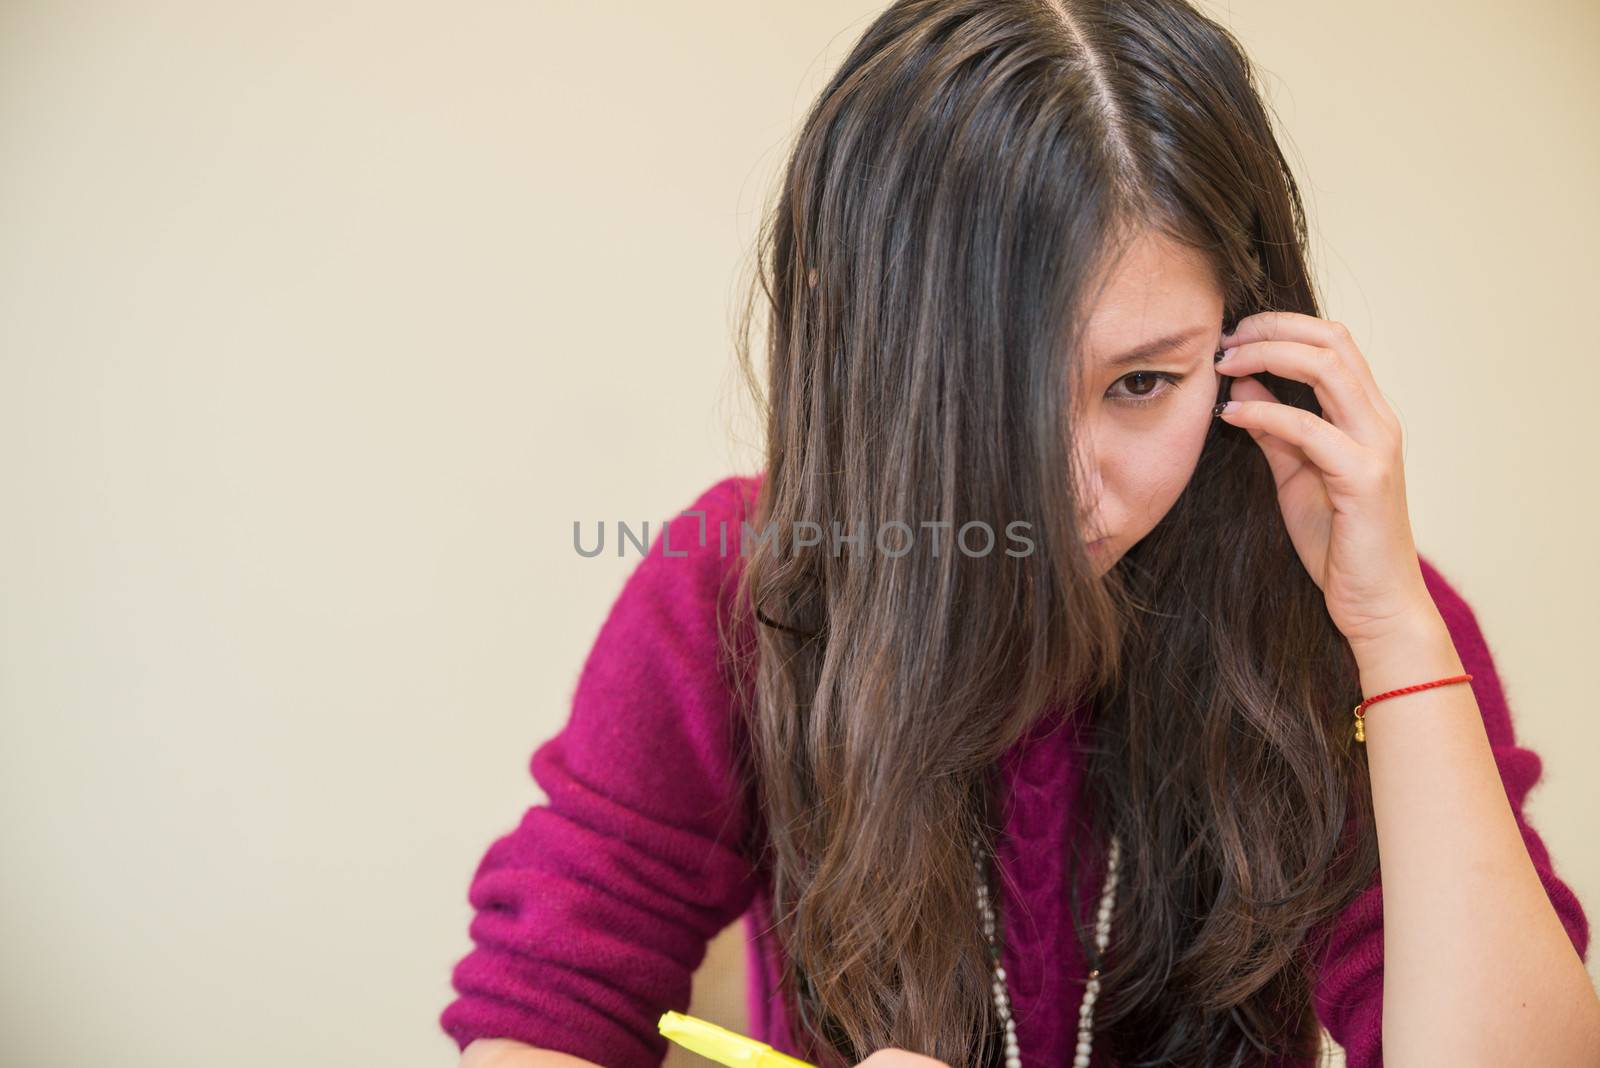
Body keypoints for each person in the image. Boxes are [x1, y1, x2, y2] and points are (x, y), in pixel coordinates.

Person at [440, 1, 1596, 1065]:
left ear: (1245, 337)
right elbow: (545, 1006)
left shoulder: (1345, 609)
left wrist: (1393, 633)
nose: (1062, 494)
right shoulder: (741, 585)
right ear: (861, 356)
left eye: (1142, 383)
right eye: (982, 400)